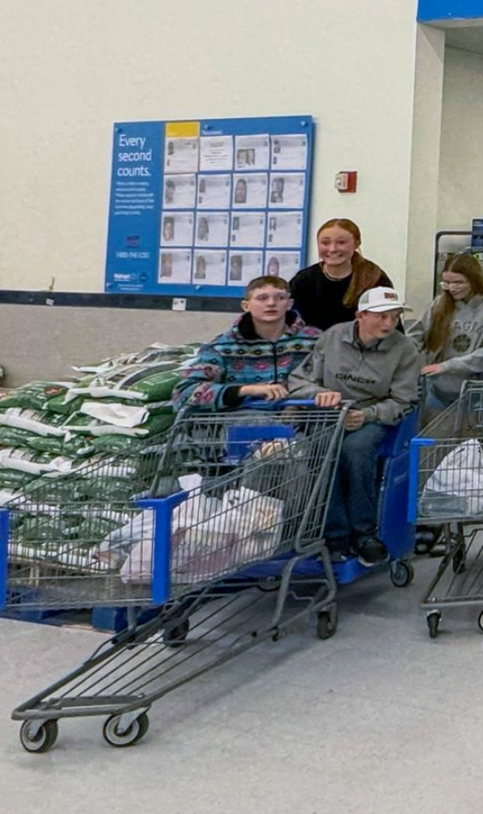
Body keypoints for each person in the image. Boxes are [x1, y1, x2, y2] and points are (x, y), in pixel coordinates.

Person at [286, 286, 422, 564]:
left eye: (394, 317)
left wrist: (369, 414)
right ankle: (334, 534)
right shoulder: (333, 337)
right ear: (360, 315)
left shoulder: (405, 349)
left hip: (370, 414)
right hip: (329, 414)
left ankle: (364, 533)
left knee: (356, 450)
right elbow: (299, 380)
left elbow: (404, 400)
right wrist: (317, 394)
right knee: (321, 450)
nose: (389, 323)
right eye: (381, 316)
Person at [175, 275, 322, 410]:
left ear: (289, 304)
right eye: (262, 298)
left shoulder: (315, 341)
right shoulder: (220, 347)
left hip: (306, 423)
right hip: (241, 421)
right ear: (246, 306)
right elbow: (184, 394)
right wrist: (244, 390)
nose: (271, 303)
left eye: (280, 298)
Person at [408, 254, 483, 410]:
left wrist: (447, 366)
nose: (452, 288)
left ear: (475, 280)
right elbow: (417, 335)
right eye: (447, 283)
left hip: (476, 389)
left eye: (458, 282)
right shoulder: (438, 304)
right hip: (436, 389)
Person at [288, 218, 392, 331]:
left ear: (356, 244)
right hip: (311, 345)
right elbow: (287, 318)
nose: (332, 249)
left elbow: (390, 323)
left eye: (341, 242)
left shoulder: (374, 278)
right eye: (325, 243)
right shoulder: (304, 279)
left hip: (361, 347)